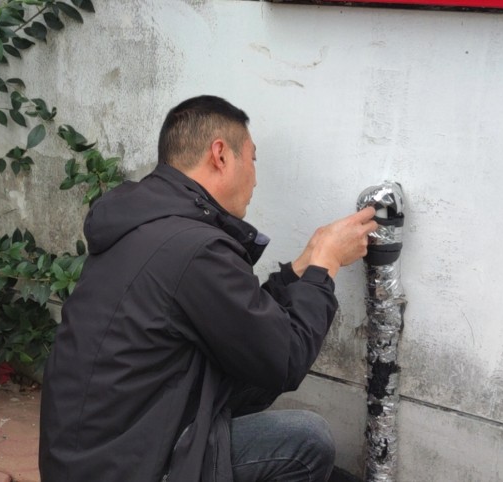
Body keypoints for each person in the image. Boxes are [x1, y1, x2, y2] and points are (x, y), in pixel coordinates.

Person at [39, 95, 378, 482]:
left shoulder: (148, 225)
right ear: (220, 155)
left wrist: (300, 270)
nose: (255, 177)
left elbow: (250, 332)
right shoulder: (193, 247)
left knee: (250, 377)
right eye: (252, 159)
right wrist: (326, 264)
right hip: (128, 468)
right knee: (307, 441)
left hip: (88, 457)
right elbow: (284, 359)